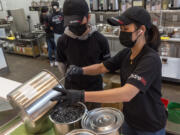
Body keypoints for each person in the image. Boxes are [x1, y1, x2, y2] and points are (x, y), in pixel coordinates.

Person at [52, 7, 167, 135]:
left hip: (149, 125)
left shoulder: (150, 59)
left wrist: (81, 95)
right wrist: (79, 70)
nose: (121, 33)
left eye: (126, 29)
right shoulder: (127, 53)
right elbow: (102, 67)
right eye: (121, 29)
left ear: (141, 30)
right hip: (129, 119)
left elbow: (127, 93)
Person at [55, 0, 111, 110]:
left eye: (77, 22)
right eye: (70, 22)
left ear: (88, 17)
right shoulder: (62, 41)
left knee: (94, 118)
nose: (73, 26)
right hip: (72, 90)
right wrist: (67, 75)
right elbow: (61, 63)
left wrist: (96, 75)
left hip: (94, 90)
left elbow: (106, 65)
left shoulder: (100, 40)